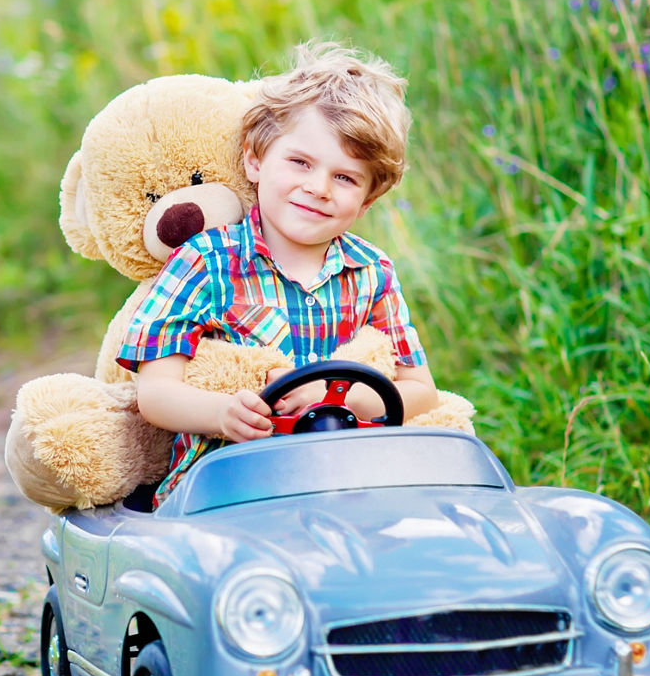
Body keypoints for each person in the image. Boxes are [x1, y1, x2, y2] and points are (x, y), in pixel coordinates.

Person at [116, 41, 438, 505]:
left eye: (345, 178)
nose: (318, 187)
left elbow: (419, 390)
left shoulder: (372, 273)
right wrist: (221, 413)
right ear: (255, 160)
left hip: (349, 484)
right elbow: (156, 394)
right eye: (300, 162)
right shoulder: (205, 262)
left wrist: (337, 398)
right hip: (226, 490)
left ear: (367, 199)